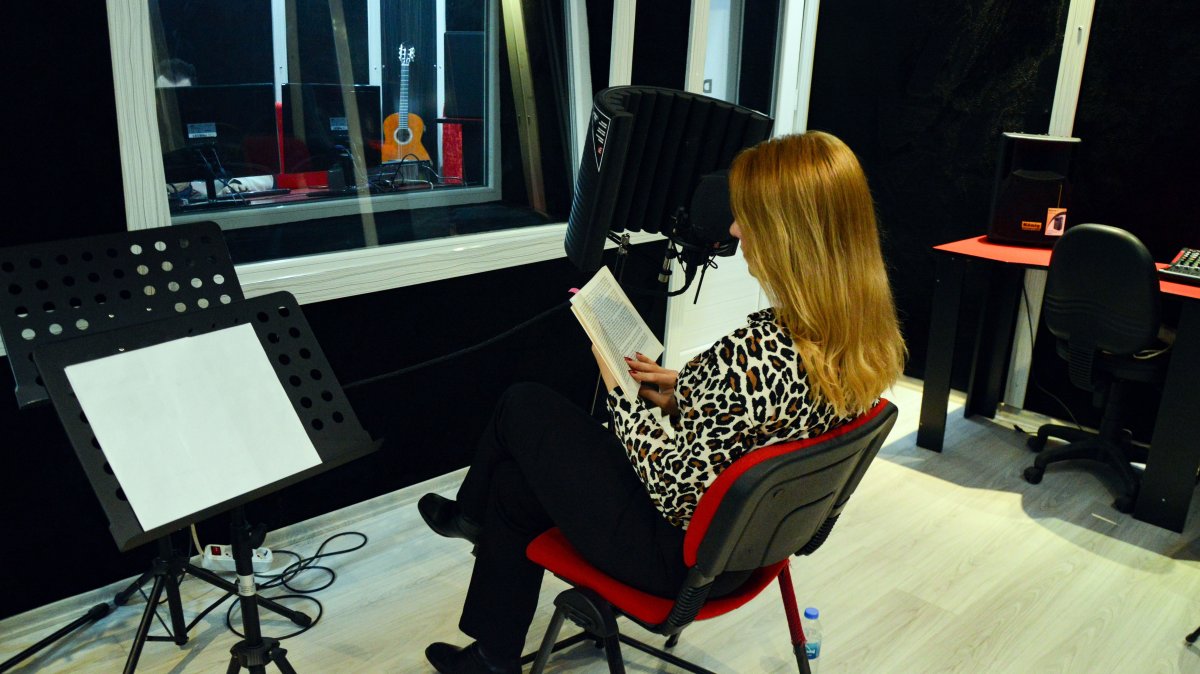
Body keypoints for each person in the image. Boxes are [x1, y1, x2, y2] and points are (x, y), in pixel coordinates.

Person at [418, 131, 908, 674]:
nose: (735, 230)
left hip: (678, 559)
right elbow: (766, 421)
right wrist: (682, 389)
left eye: (749, 218)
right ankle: (492, 655)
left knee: (523, 405)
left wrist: (617, 387)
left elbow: (673, 490)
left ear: (790, 234)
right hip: (750, 550)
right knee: (514, 486)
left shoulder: (756, 355)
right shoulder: (861, 334)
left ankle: (471, 518)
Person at [155, 58, 276, 200]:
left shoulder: (222, 131)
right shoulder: (146, 141)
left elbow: (266, 177)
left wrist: (238, 184)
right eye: (167, 97)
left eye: (182, 96)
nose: (175, 106)